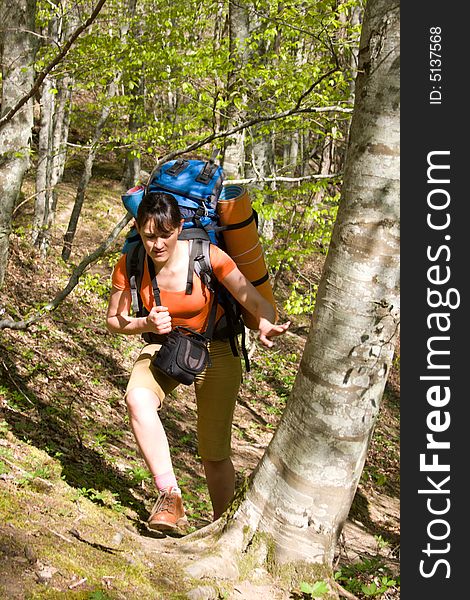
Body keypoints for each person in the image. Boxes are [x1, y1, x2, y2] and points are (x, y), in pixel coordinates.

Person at [106, 191, 290, 532]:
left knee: (214, 451)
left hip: (216, 347)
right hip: (164, 346)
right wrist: (144, 324)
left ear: (179, 228)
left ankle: (221, 529)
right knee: (137, 399)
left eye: (165, 234)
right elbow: (114, 320)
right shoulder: (131, 261)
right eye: (148, 236)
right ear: (138, 230)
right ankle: (169, 496)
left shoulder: (208, 255)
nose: (157, 244)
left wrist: (265, 322)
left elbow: (252, 298)